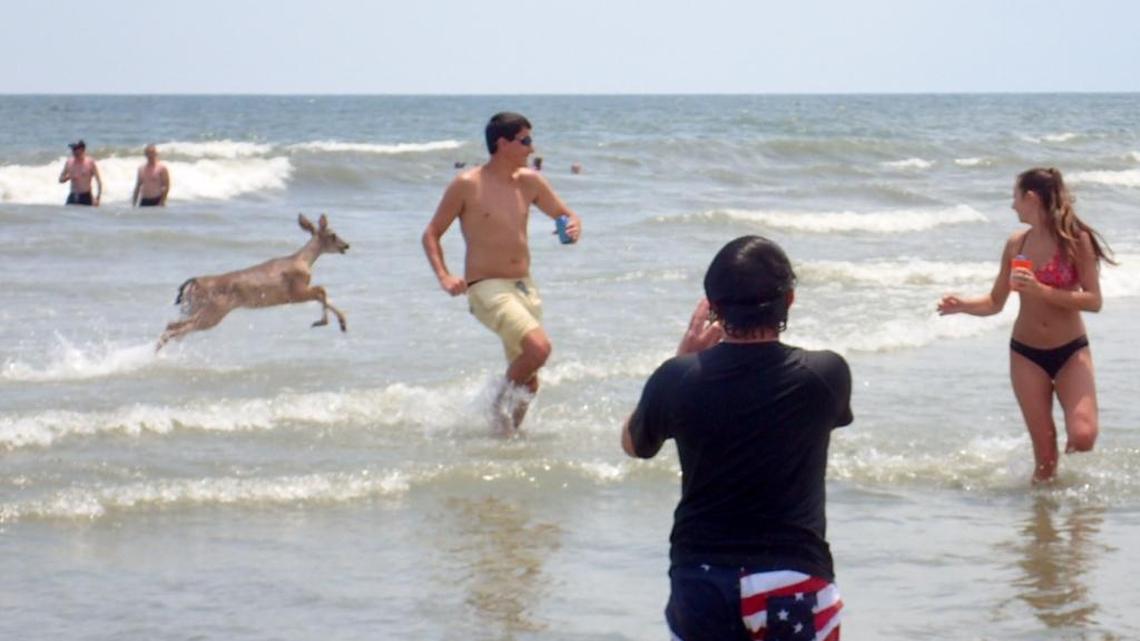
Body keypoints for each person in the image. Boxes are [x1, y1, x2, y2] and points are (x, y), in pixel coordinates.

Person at [622, 236, 852, 641]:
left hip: (702, 579)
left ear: (712, 307)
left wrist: (680, 359)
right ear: (791, 299)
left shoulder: (678, 378)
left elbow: (634, 444)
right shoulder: (826, 375)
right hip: (793, 577)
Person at [938, 167, 1115, 483]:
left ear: (1031, 198)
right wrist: (963, 305)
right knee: (1045, 459)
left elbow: (1094, 300)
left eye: (1015, 197)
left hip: (1071, 351)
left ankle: (1076, 504)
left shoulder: (1076, 241)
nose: (1012, 205)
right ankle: (1042, 523)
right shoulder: (1016, 244)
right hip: (1026, 355)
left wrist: (1041, 290)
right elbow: (995, 302)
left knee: (1084, 435)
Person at [422, 112, 582, 433]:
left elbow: (564, 214)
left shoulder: (530, 182)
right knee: (539, 348)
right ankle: (493, 403)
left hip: (525, 288)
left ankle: (504, 436)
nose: (531, 147)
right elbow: (431, 233)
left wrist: (573, 225)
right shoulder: (467, 184)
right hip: (486, 288)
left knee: (530, 380)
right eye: (525, 141)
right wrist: (444, 276)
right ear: (502, 143)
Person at [58, 140, 102, 206]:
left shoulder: (90, 162)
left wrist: (97, 198)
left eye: (75, 149)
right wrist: (68, 177)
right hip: (73, 195)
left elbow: (98, 181)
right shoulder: (69, 162)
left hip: (86, 196)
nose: (73, 151)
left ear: (82, 149)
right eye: (73, 149)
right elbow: (60, 180)